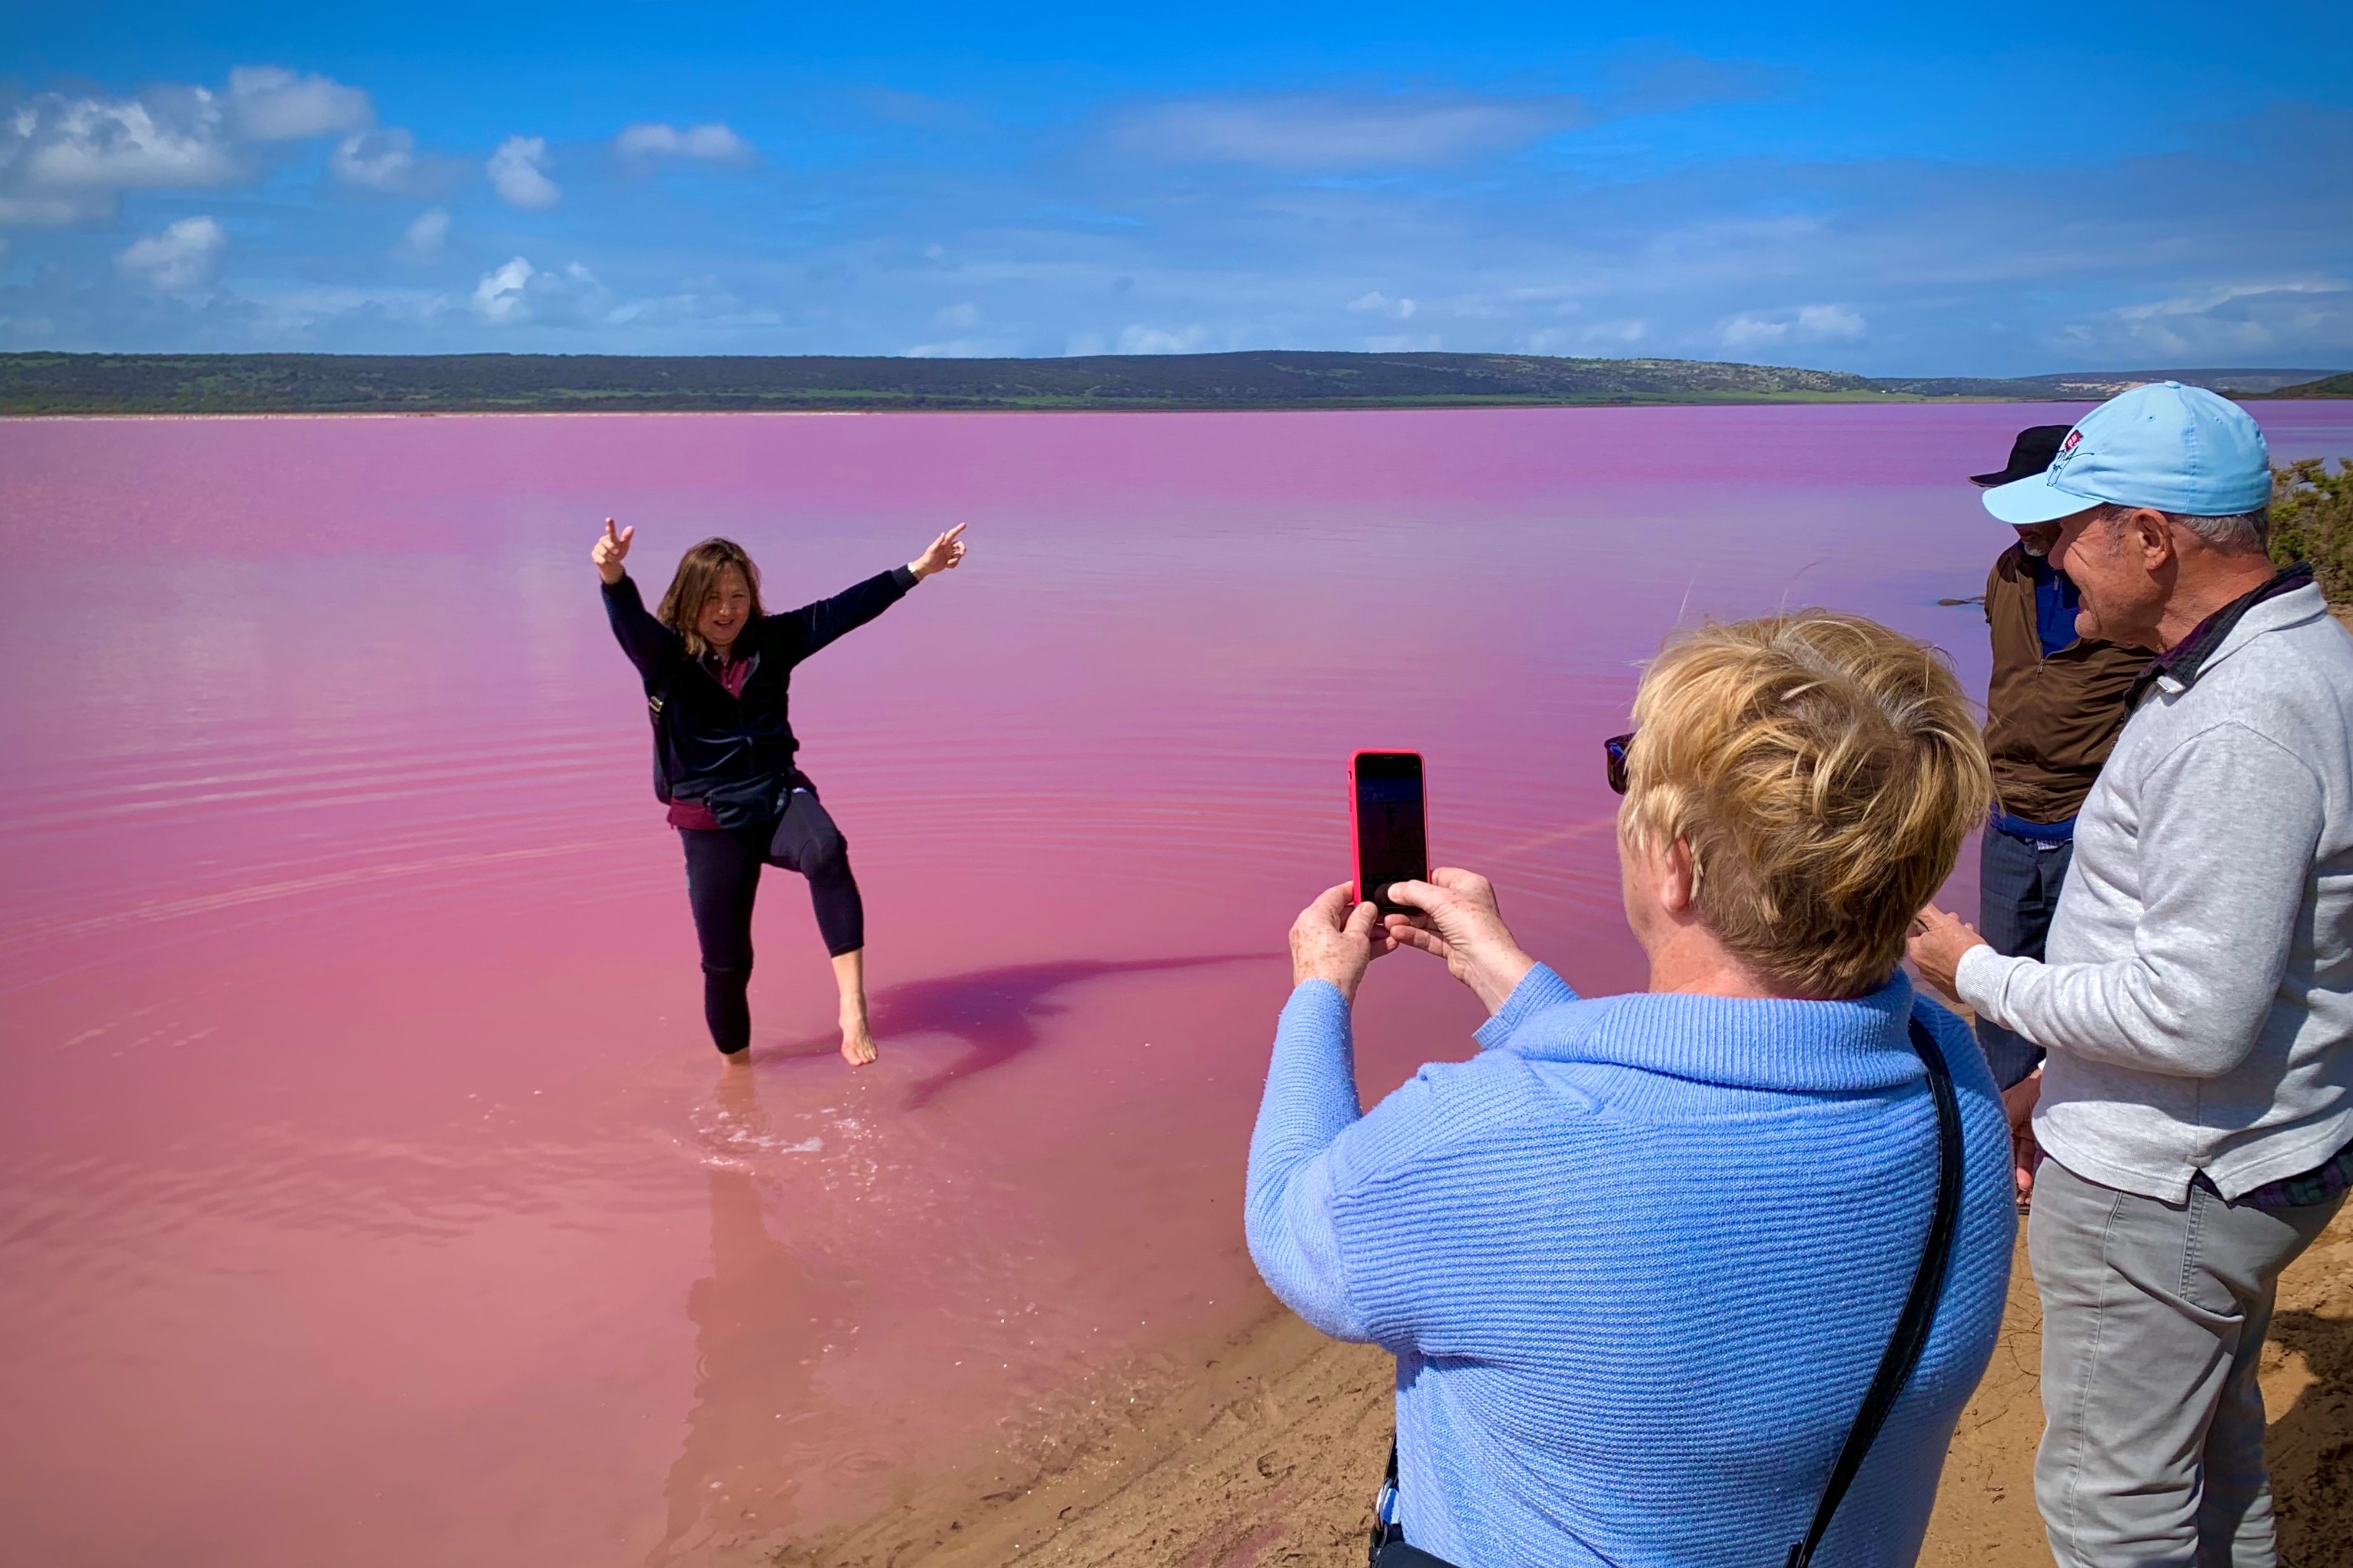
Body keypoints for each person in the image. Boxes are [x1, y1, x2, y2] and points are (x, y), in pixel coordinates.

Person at [1248, 612, 2016, 1567]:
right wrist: (1513, 979)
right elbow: (1698, 1100)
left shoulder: (1487, 1134)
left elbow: (1291, 1223)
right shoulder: (1952, 1077)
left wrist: (1318, 990)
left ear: (1677, 860)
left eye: (1630, 773)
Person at [1910, 381, 2352, 1568]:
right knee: (2215, 1457)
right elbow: (2200, 951)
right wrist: (2060, 1068)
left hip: (2173, 1183)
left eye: (2068, 533)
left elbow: (2195, 1013)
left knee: (2116, 1507)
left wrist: (1980, 975)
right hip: (2241, 1149)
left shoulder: (2238, 722)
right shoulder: (2271, 661)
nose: (2052, 564)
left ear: (2150, 537)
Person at [594, 518, 968, 1064]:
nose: (728, 609)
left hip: (774, 796)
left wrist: (918, 570)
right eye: (714, 597)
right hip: (710, 818)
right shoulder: (665, 657)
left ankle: (852, 1007)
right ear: (689, 599)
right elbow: (627, 619)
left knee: (827, 848)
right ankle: (736, 1076)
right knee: (727, 964)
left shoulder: (772, 641)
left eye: (739, 595)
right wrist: (611, 572)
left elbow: (843, 610)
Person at [1966, 427, 2150, 1133]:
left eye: (2036, 506)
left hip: (2091, 814)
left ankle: (2072, 1123)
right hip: (2009, 809)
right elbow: (2011, 675)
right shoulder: (2005, 574)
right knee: (2000, 988)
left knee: (2087, 979)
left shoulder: (2119, 592)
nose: (2022, 523)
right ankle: (2005, 1129)